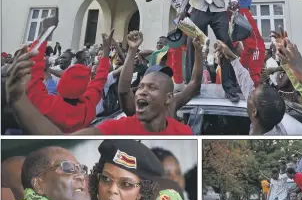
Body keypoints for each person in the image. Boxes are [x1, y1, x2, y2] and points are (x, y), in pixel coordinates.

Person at [5, 42, 194, 136]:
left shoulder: (185, 134)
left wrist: (39, 46)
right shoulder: (109, 122)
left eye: (152, 88)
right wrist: (18, 100)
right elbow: (107, 82)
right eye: (141, 86)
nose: (142, 91)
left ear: (169, 98)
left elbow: (36, 81)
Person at [25, 12, 112, 132]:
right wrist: (106, 51)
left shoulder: (48, 104)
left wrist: (45, 32)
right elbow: (100, 80)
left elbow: (33, 72)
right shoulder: (88, 106)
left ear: (63, 82)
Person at [214, 40, 302, 135]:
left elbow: (246, 86)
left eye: (250, 97)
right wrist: (232, 57)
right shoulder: (272, 123)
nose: (248, 94)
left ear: (254, 111)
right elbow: (246, 82)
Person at [145, 0, 192, 88]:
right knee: (175, 47)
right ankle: (178, 82)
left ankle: (187, 80)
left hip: (191, 12)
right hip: (180, 16)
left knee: (188, 46)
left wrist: (185, 10)